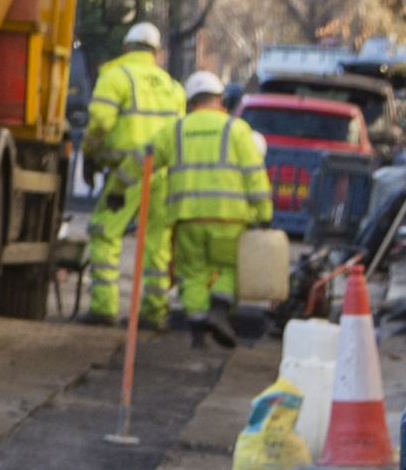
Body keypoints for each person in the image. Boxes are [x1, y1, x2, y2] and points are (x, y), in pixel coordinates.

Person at [158, 68, 273, 348]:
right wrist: (264, 214)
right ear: (221, 100)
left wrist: (117, 190)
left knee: (192, 275)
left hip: (188, 219)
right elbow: (254, 174)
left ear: (190, 102)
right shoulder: (237, 130)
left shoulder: (175, 130)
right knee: (230, 267)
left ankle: (199, 332)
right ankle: (219, 311)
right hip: (230, 219)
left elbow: (142, 158)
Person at [82, 20, 180, 322]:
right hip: (164, 174)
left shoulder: (115, 76)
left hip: (127, 173)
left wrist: (90, 155)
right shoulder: (173, 87)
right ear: (157, 52)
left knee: (105, 232)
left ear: (127, 47)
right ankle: (153, 311)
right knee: (157, 243)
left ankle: (104, 307)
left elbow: (99, 121)